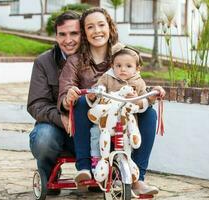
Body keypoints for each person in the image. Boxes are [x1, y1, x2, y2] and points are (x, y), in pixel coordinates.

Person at [58, 7, 165, 195]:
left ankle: (137, 179)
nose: (97, 30)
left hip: (121, 119)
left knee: (149, 113)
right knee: (82, 102)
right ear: (84, 32)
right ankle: (84, 167)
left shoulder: (122, 56)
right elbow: (66, 90)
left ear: (110, 27)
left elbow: (137, 83)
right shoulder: (75, 60)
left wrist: (150, 93)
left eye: (101, 25)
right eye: (90, 27)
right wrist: (70, 95)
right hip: (95, 120)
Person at [87, 42, 164, 175]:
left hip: (126, 121)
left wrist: (140, 98)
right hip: (106, 120)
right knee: (95, 132)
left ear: (137, 68)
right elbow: (98, 91)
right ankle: (96, 158)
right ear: (112, 66)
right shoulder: (107, 77)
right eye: (118, 66)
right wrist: (95, 94)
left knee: (129, 140)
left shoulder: (138, 82)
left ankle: (129, 165)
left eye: (128, 66)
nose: (123, 69)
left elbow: (143, 100)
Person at [27, 11, 81, 194]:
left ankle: (99, 173)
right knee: (43, 138)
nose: (68, 40)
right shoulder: (43, 62)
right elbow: (37, 104)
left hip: (89, 128)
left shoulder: (95, 59)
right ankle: (49, 172)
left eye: (74, 33)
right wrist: (62, 118)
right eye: (62, 34)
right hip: (56, 126)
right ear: (56, 36)